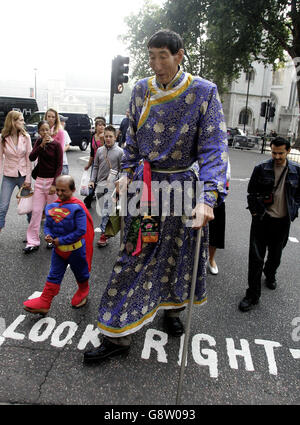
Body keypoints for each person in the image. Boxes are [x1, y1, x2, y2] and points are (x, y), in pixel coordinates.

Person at [83, 29, 228, 363]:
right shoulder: (140, 90)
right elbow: (131, 139)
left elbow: (213, 148)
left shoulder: (204, 92)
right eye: (151, 56)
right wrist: (126, 174)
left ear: (179, 56)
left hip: (182, 189)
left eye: (163, 56)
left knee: (180, 255)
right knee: (133, 256)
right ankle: (116, 335)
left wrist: (207, 199)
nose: (157, 63)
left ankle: (172, 310)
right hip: (145, 188)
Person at [239, 137, 300, 312]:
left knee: (276, 255)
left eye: (280, 152)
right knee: (255, 258)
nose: (277, 156)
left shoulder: (296, 170)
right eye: (274, 152)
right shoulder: (261, 168)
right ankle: (252, 295)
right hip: (262, 220)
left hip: (282, 221)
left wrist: (294, 207)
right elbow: (251, 192)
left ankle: (270, 273)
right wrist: (255, 212)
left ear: (288, 151)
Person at [23, 175, 94, 314]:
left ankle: (83, 290)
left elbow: (81, 230)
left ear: (73, 190)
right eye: (58, 190)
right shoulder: (52, 206)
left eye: (64, 190)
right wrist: (48, 235)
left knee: (81, 274)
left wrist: (60, 240)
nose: (60, 193)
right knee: (53, 275)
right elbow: (48, 225)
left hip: (76, 251)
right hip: (58, 250)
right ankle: (45, 301)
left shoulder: (78, 208)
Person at [23, 120, 63, 253]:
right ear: (39, 132)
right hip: (39, 182)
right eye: (42, 130)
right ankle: (32, 241)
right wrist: (41, 145)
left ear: (50, 130)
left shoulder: (56, 145)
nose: (45, 132)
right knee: (36, 212)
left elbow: (59, 166)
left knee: (52, 213)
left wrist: (54, 184)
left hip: (52, 182)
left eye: (47, 129)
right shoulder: (38, 143)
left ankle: (51, 238)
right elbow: (31, 157)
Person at [89, 125, 123, 247]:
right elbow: (96, 167)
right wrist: (92, 180)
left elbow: (122, 169)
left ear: (115, 137)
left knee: (106, 210)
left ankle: (104, 235)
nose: (108, 139)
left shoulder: (120, 152)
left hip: (112, 186)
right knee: (103, 209)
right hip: (100, 185)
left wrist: (118, 182)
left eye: (110, 136)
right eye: (106, 136)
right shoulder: (99, 150)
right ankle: (108, 229)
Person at [0, 111, 32, 232]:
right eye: (21, 120)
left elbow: (30, 160)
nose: (23, 122)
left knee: (28, 207)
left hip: (23, 176)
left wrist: (28, 180)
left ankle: (32, 233)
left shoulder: (26, 137)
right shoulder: (3, 138)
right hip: (8, 176)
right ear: (13, 121)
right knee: (2, 207)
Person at [207, 159, 231, 275]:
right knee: (190, 227)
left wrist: (226, 187)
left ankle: (211, 259)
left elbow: (227, 170)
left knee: (215, 229)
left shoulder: (219, 144)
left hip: (215, 191)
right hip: (192, 190)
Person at [83, 117, 106, 209]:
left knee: (101, 183)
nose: (102, 127)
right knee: (92, 181)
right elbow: (92, 153)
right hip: (95, 164)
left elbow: (105, 150)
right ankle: (88, 198)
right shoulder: (92, 137)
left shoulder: (106, 136)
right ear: (95, 127)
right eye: (99, 125)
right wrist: (88, 165)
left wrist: (102, 140)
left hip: (104, 163)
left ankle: (100, 202)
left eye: (103, 125)